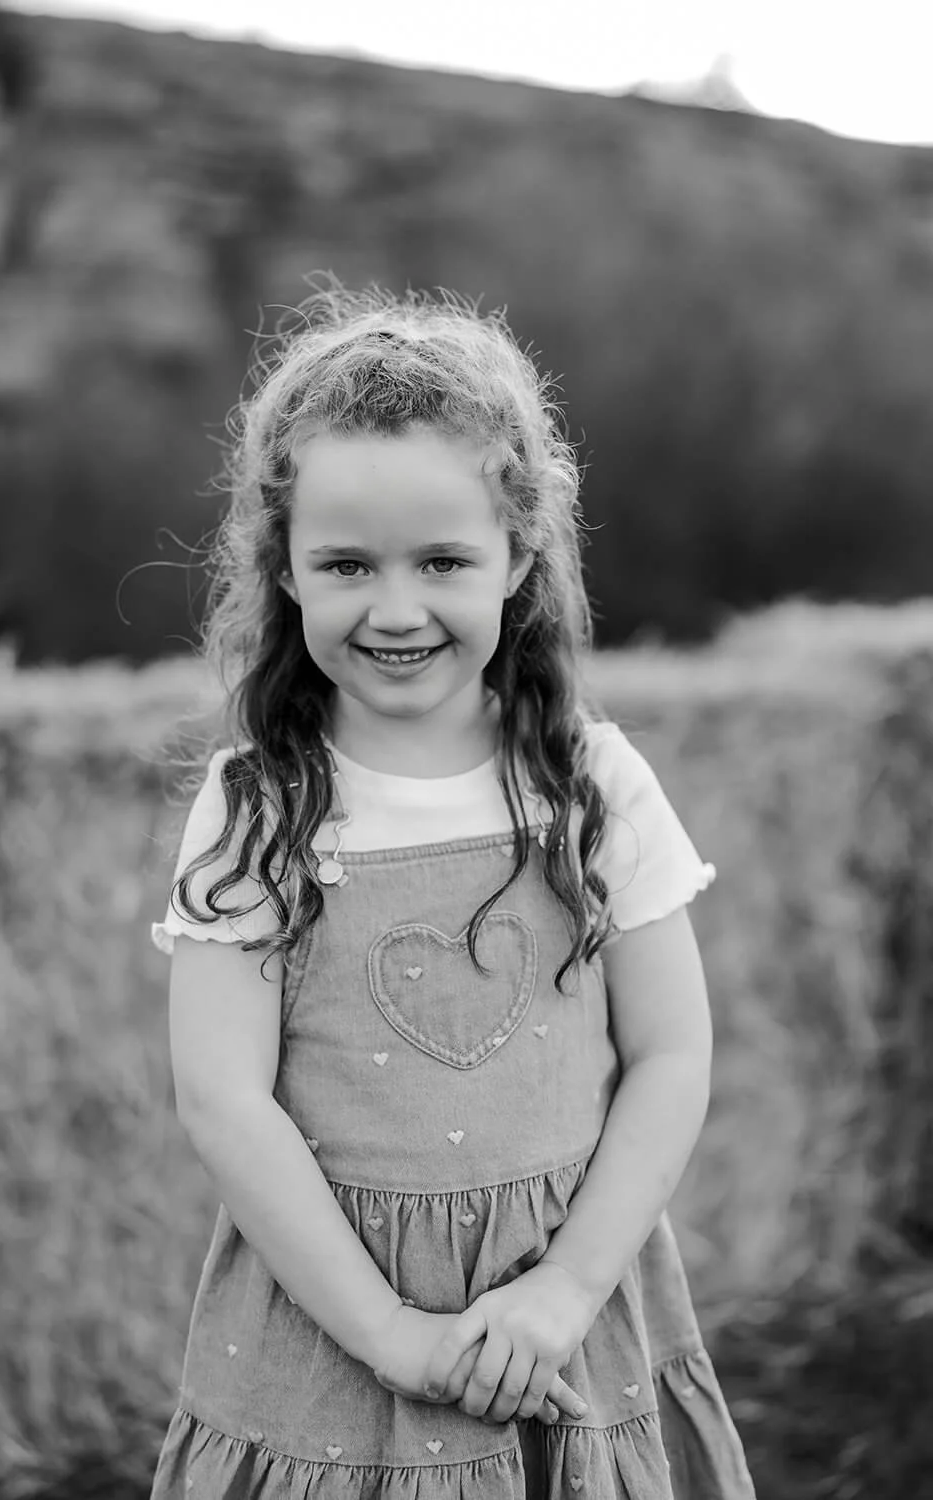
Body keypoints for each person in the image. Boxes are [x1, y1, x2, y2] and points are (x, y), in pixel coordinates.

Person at [149, 283, 756, 1498]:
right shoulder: (258, 802)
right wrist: (392, 1334)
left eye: (441, 560)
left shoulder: (588, 780)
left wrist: (564, 1290)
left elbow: (673, 1056)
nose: (395, 608)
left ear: (518, 554)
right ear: (283, 567)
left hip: (569, 1330)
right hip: (329, 1352)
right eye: (344, 564)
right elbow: (226, 1105)